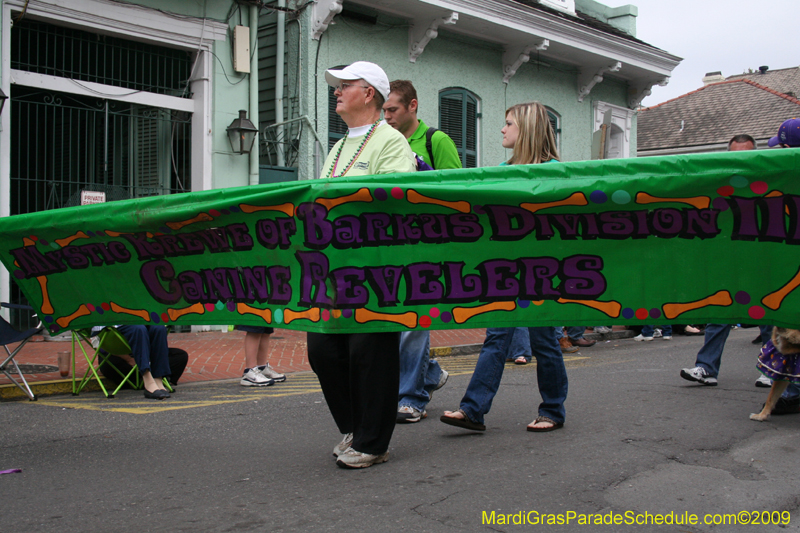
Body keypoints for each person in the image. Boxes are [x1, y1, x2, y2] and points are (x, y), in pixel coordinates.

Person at [308, 61, 415, 469]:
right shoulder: (338, 147)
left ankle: (373, 442)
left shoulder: (391, 141)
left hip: (375, 269)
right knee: (322, 349)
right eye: (336, 86)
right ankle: (356, 427)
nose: (336, 91)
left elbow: (394, 199)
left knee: (370, 353)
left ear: (369, 93)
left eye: (345, 85)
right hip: (335, 270)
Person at [440, 102, 568, 433]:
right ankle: (473, 410)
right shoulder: (500, 170)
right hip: (505, 272)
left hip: (543, 273)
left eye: (509, 123)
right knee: (496, 338)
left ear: (527, 129)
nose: (502, 129)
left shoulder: (557, 172)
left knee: (544, 342)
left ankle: (553, 410)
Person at [681, 128, 800, 413]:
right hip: (735, 258)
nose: (741, 159)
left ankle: (774, 372)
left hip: (769, 258)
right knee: (720, 312)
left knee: (772, 315)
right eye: (735, 154)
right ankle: (706, 367)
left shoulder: (776, 177)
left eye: (747, 154)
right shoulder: (720, 181)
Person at [382, 79, 461, 422]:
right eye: (383, 110)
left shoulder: (436, 141)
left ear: (412, 106)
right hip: (392, 246)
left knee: (413, 323)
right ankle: (429, 372)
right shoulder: (383, 141)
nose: (387, 116)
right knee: (394, 323)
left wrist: (423, 173)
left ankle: (412, 398)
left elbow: (457, 192)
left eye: (392, 109)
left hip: (426, 247)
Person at [93, 325, 173, 399]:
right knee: (138, 328)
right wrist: (129, 359)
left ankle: (158, 380)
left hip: (139, 321)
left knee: (159, 328)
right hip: (113, 327)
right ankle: (148, 381)